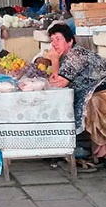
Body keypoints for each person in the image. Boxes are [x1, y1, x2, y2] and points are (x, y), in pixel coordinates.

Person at [44, 23, 106, 161]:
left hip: (102, 88)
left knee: (92, 103)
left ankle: (101, 146)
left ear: (70, 41)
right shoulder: (67, 56)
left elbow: (58, 84)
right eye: (52, 40)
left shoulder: (76, 55)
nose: (54, 43)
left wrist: (54, 60)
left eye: (58, 39)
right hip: (93, 89)